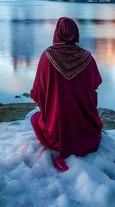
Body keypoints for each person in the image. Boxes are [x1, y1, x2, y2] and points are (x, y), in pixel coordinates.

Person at [30, 17, 103, 172]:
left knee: (35, 118)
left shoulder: (47, 56)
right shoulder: (88, 58)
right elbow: (94, 88)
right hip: (86, 135)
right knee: (93, 125)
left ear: (57, 33)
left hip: (56, 136)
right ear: (76, 33)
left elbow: (38, 92)